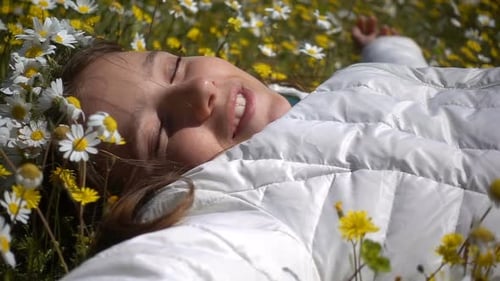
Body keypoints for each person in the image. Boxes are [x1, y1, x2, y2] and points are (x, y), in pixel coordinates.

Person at [62, 16, 500, 280]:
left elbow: (423, 109)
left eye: (175, 67)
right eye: (161, 131)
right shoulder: (241, 215)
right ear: (152, 199)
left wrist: (388, 49)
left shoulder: (334, 87)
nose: (199, 88)